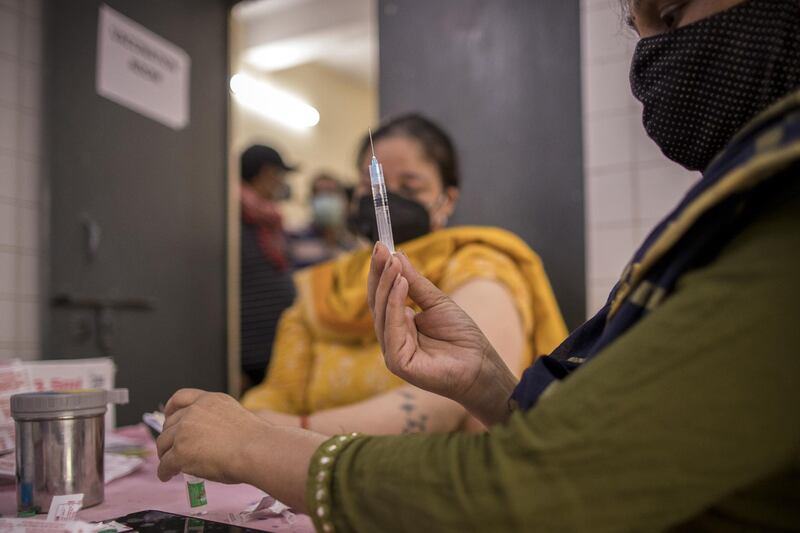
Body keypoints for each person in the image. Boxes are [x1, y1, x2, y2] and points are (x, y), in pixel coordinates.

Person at [157, 1, 800, 531]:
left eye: (671, 9)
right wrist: (488, 382)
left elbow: (543, 483)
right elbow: (627, 443)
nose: (650, 60)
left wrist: (259, 441)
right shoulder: (320, 285)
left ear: (447, 197)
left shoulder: (480, 261)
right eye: (639, 29)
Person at [240, 113, 568, 435]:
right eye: (373, 186)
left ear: (447, 199)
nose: (389, 197)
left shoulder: (479, 263)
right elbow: (278, 393)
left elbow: (446, 402)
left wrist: (283, 432)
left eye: (410, 188)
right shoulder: (328, 283)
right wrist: (248, 421)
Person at [239, 144, 298, 390]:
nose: (282, 183)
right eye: (279, 175)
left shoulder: (267, 220)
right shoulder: (234, 219)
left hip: (272, 349)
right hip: (249, 355)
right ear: (265, 173)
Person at [288, 173, 357, 269]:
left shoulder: (353, 244)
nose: (325, 198)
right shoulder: (294, 238)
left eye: (331, 193)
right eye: (320, 193)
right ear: (311, 199)